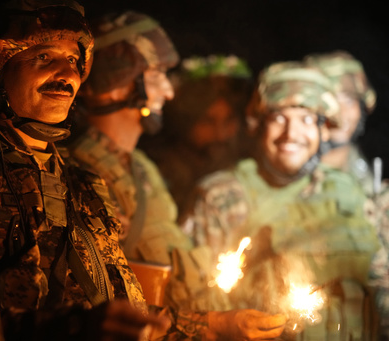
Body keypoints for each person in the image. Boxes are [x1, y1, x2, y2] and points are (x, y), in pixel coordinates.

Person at [0, 1, 170, 340]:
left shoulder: (83, 182)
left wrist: (215, 325)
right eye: (44, 57)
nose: (68, 75)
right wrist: (77, 330)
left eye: (73, 60)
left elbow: (123, 309)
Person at [70, 10, 287, 340]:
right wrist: (215, 324)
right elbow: (102, 307)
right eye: (155, 74)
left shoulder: (140, 168)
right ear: (115, 85)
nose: (168, 92)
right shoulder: (85, 171)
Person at [181, 60, 384, 340]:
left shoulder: (348, 191)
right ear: (258, 124)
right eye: (279, 118)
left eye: (306, 119)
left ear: (324, 130)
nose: (291, 134)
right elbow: (195, 305)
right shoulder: (221, 197)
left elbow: (379, 282)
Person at [138, 54, 254, 214]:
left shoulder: (248, 172)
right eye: (208, 122)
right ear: (187, 122)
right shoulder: (156, 175)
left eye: (229, 120)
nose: (221, 134)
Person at [303, 50, 379, 196]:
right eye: (332, 103)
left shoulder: (355, 160)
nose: (342, 114)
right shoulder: (293, 165)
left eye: (350, 101)